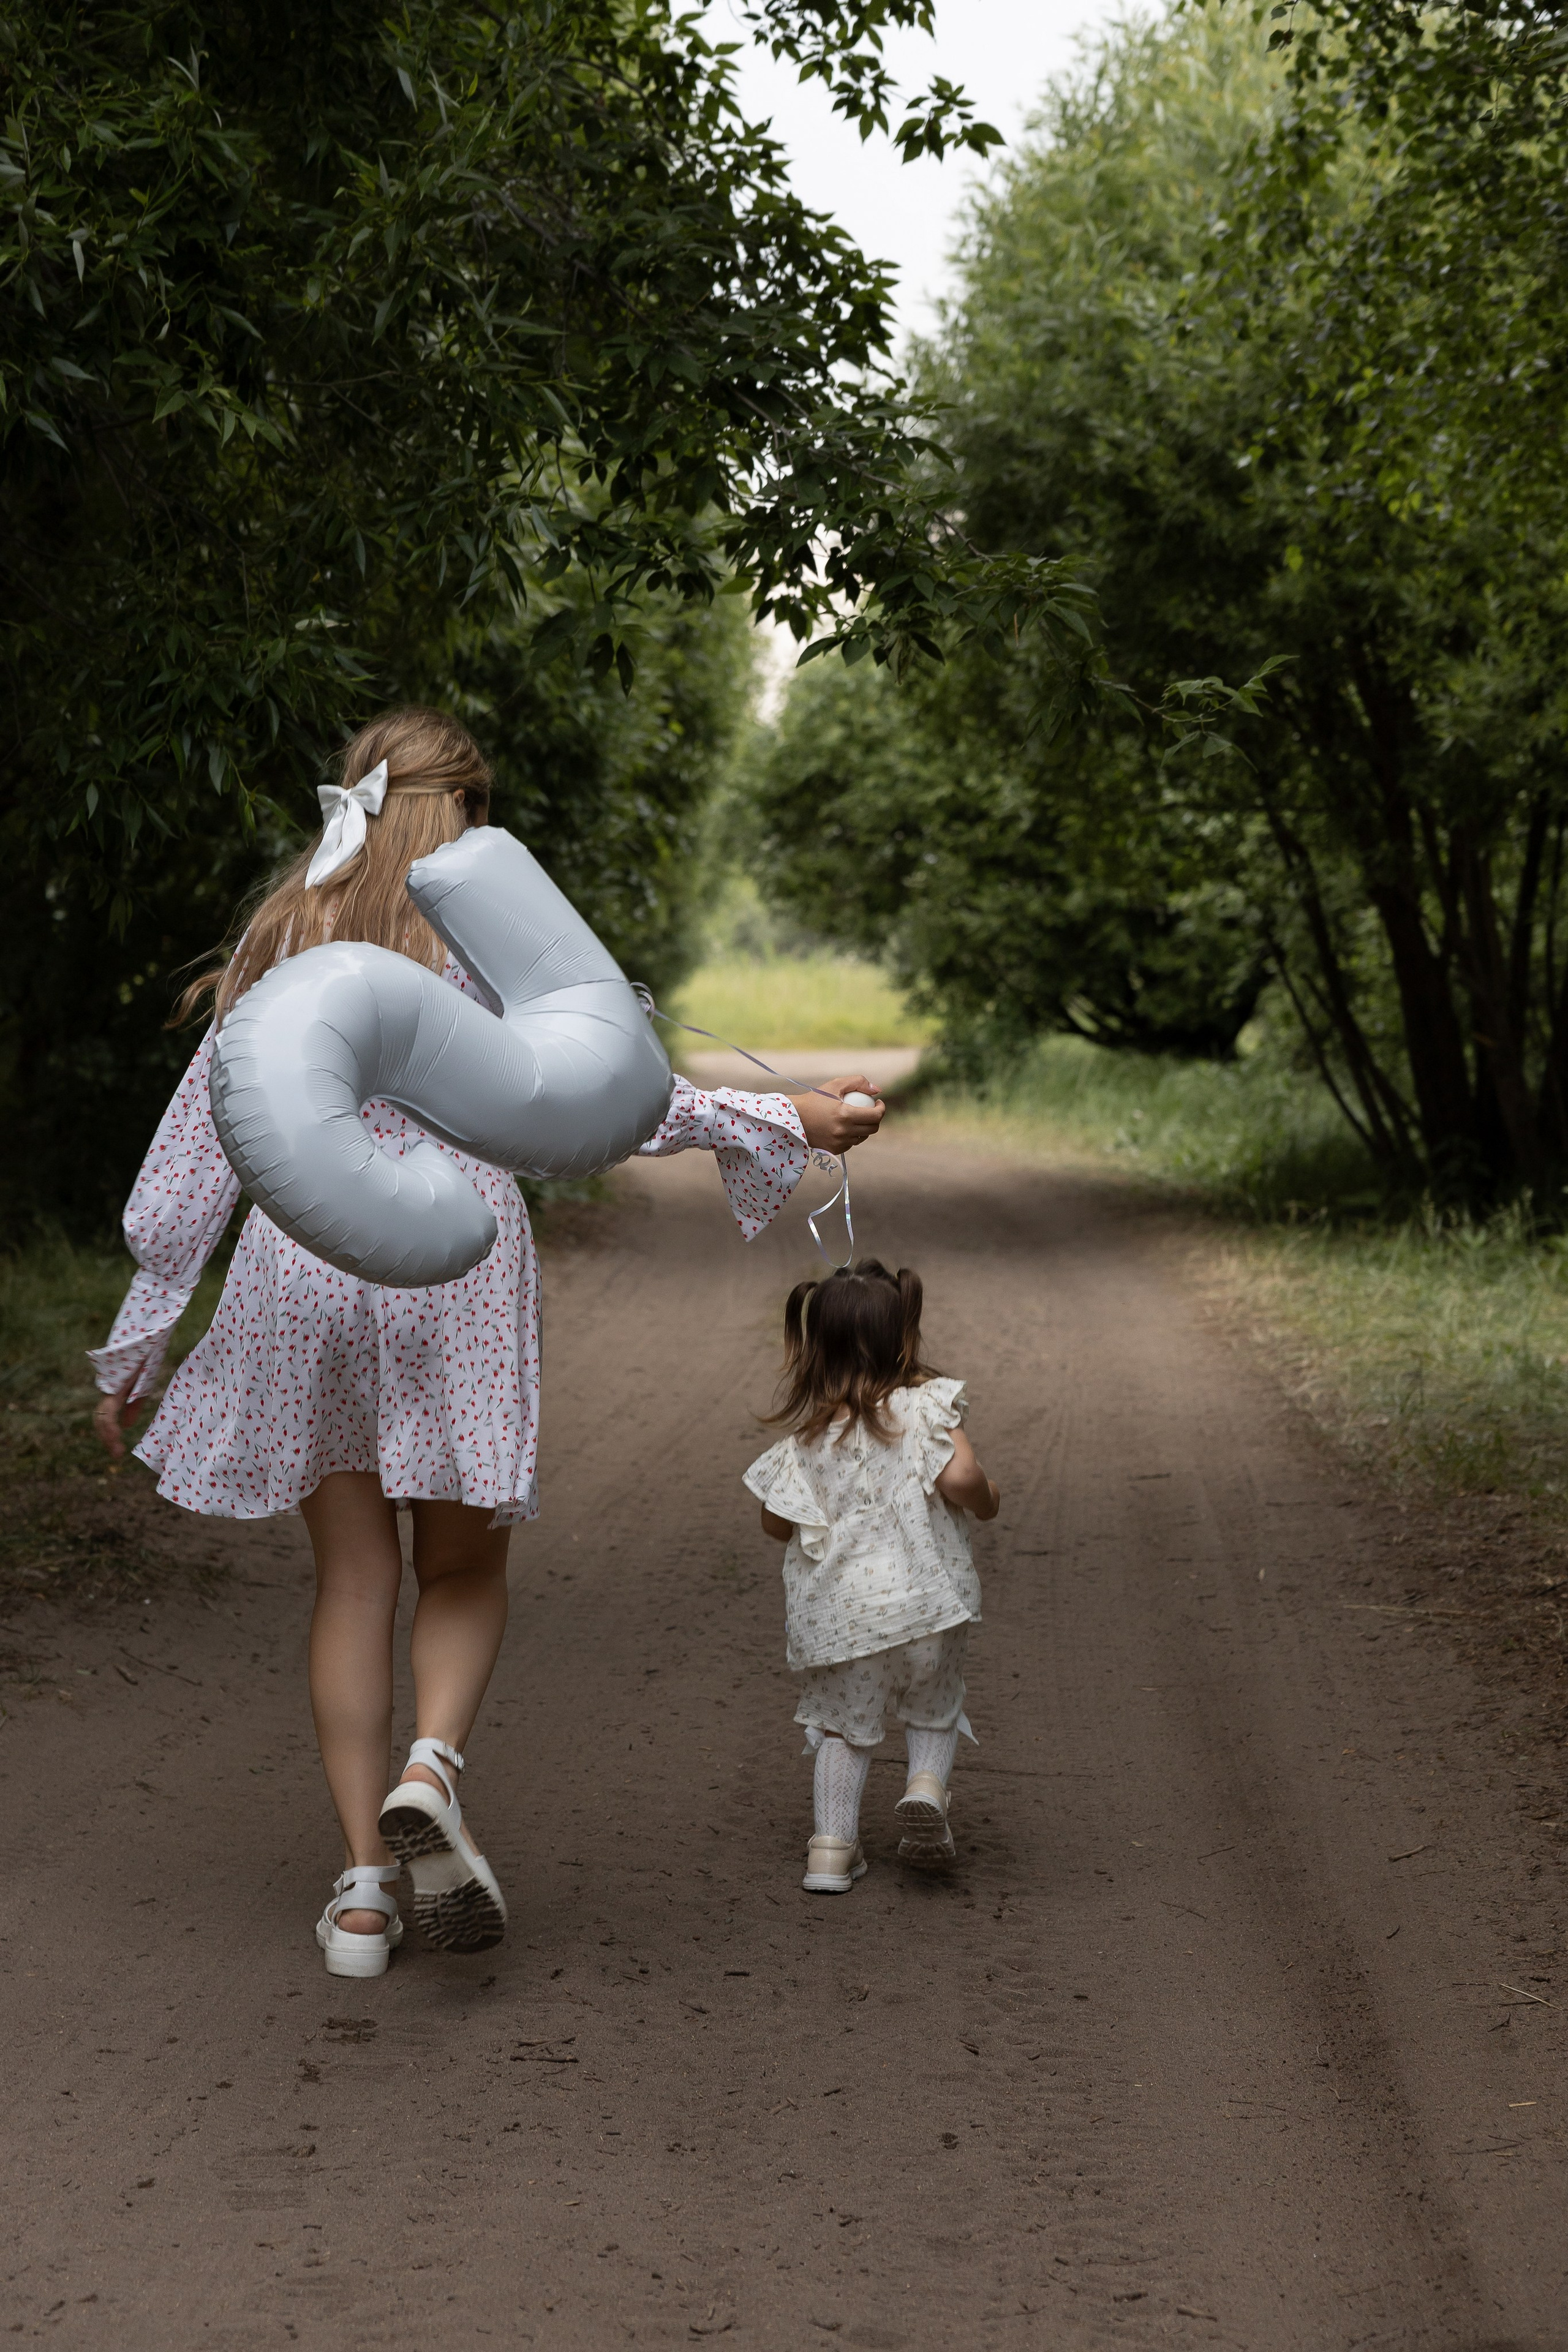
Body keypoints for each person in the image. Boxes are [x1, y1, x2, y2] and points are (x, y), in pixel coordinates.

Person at [90, 704, 884, 1976]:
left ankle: (359, 1895)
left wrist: (139, 1335)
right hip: (452, 1262)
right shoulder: (488, 940)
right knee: (459, 1572)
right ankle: (431, 1769)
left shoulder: (279, 936)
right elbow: (604, 1097)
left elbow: (199, 1147)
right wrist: (781, 1114)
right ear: (465, 808)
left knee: (353, 1581)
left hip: (310, 1268)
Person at [743, 1259, 1000, 1893]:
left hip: (841, 1620)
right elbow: (962, 1480)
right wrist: (990, 1498)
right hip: (925, 1604)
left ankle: (830, 1850)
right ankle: (925, 1788)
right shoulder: (926, 1410)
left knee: (840, 1726)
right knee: (933, 1706)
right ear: (902, 1338)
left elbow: (776, 1527)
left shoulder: (804, 1438)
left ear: (814, 1349)